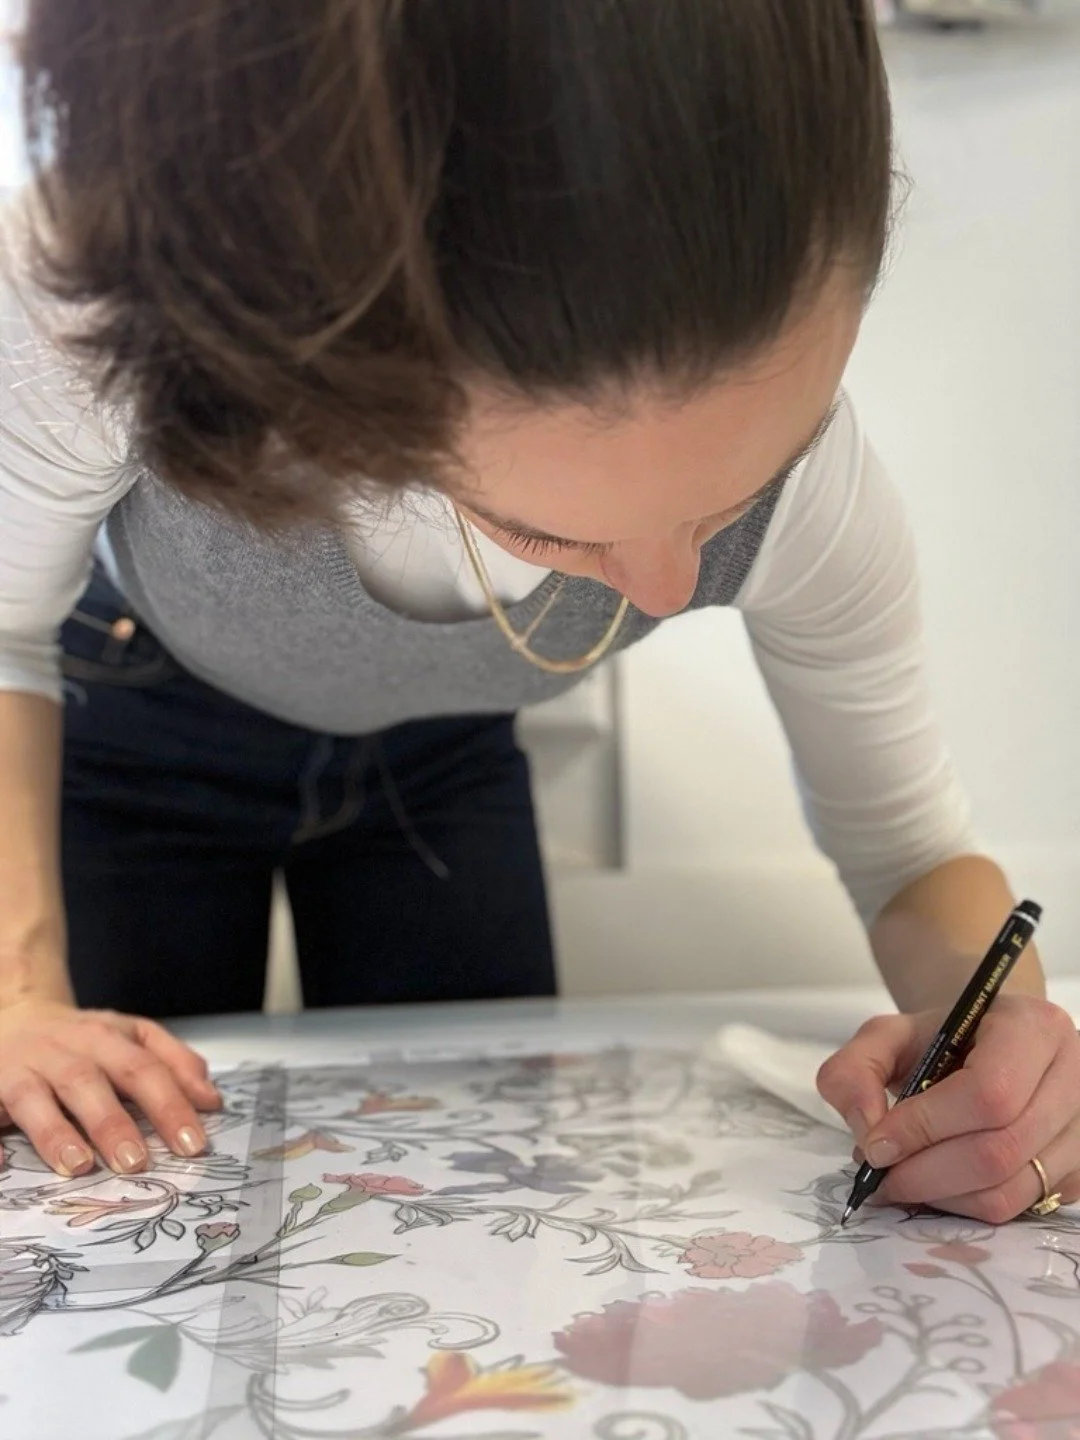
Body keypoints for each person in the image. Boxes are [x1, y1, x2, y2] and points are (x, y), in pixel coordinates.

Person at [1, 0, 1076, 1225]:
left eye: (736, 492)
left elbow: (911, 852)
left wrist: (1008, 1043)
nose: (670, 591)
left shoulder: (824, 499)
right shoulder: (100, 302)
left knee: (476, 1212)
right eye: (554, 536)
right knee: (97, 1165)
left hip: (442, 759)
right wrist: (14, 997)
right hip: (132, 723)